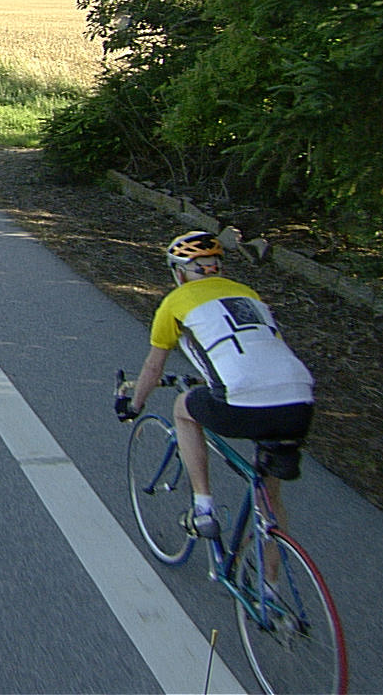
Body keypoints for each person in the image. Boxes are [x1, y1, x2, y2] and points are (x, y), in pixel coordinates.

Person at [117, 230, 315, 540]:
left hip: (242, 403)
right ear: (218, 268)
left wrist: (134, 405)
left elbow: (154, 367)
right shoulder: (248, 294)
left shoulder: (176, 301)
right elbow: (253, 350)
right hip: (298, 402)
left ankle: (203, 508)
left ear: (179, 272)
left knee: (183, 409)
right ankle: (274, 568)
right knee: (269, 501)